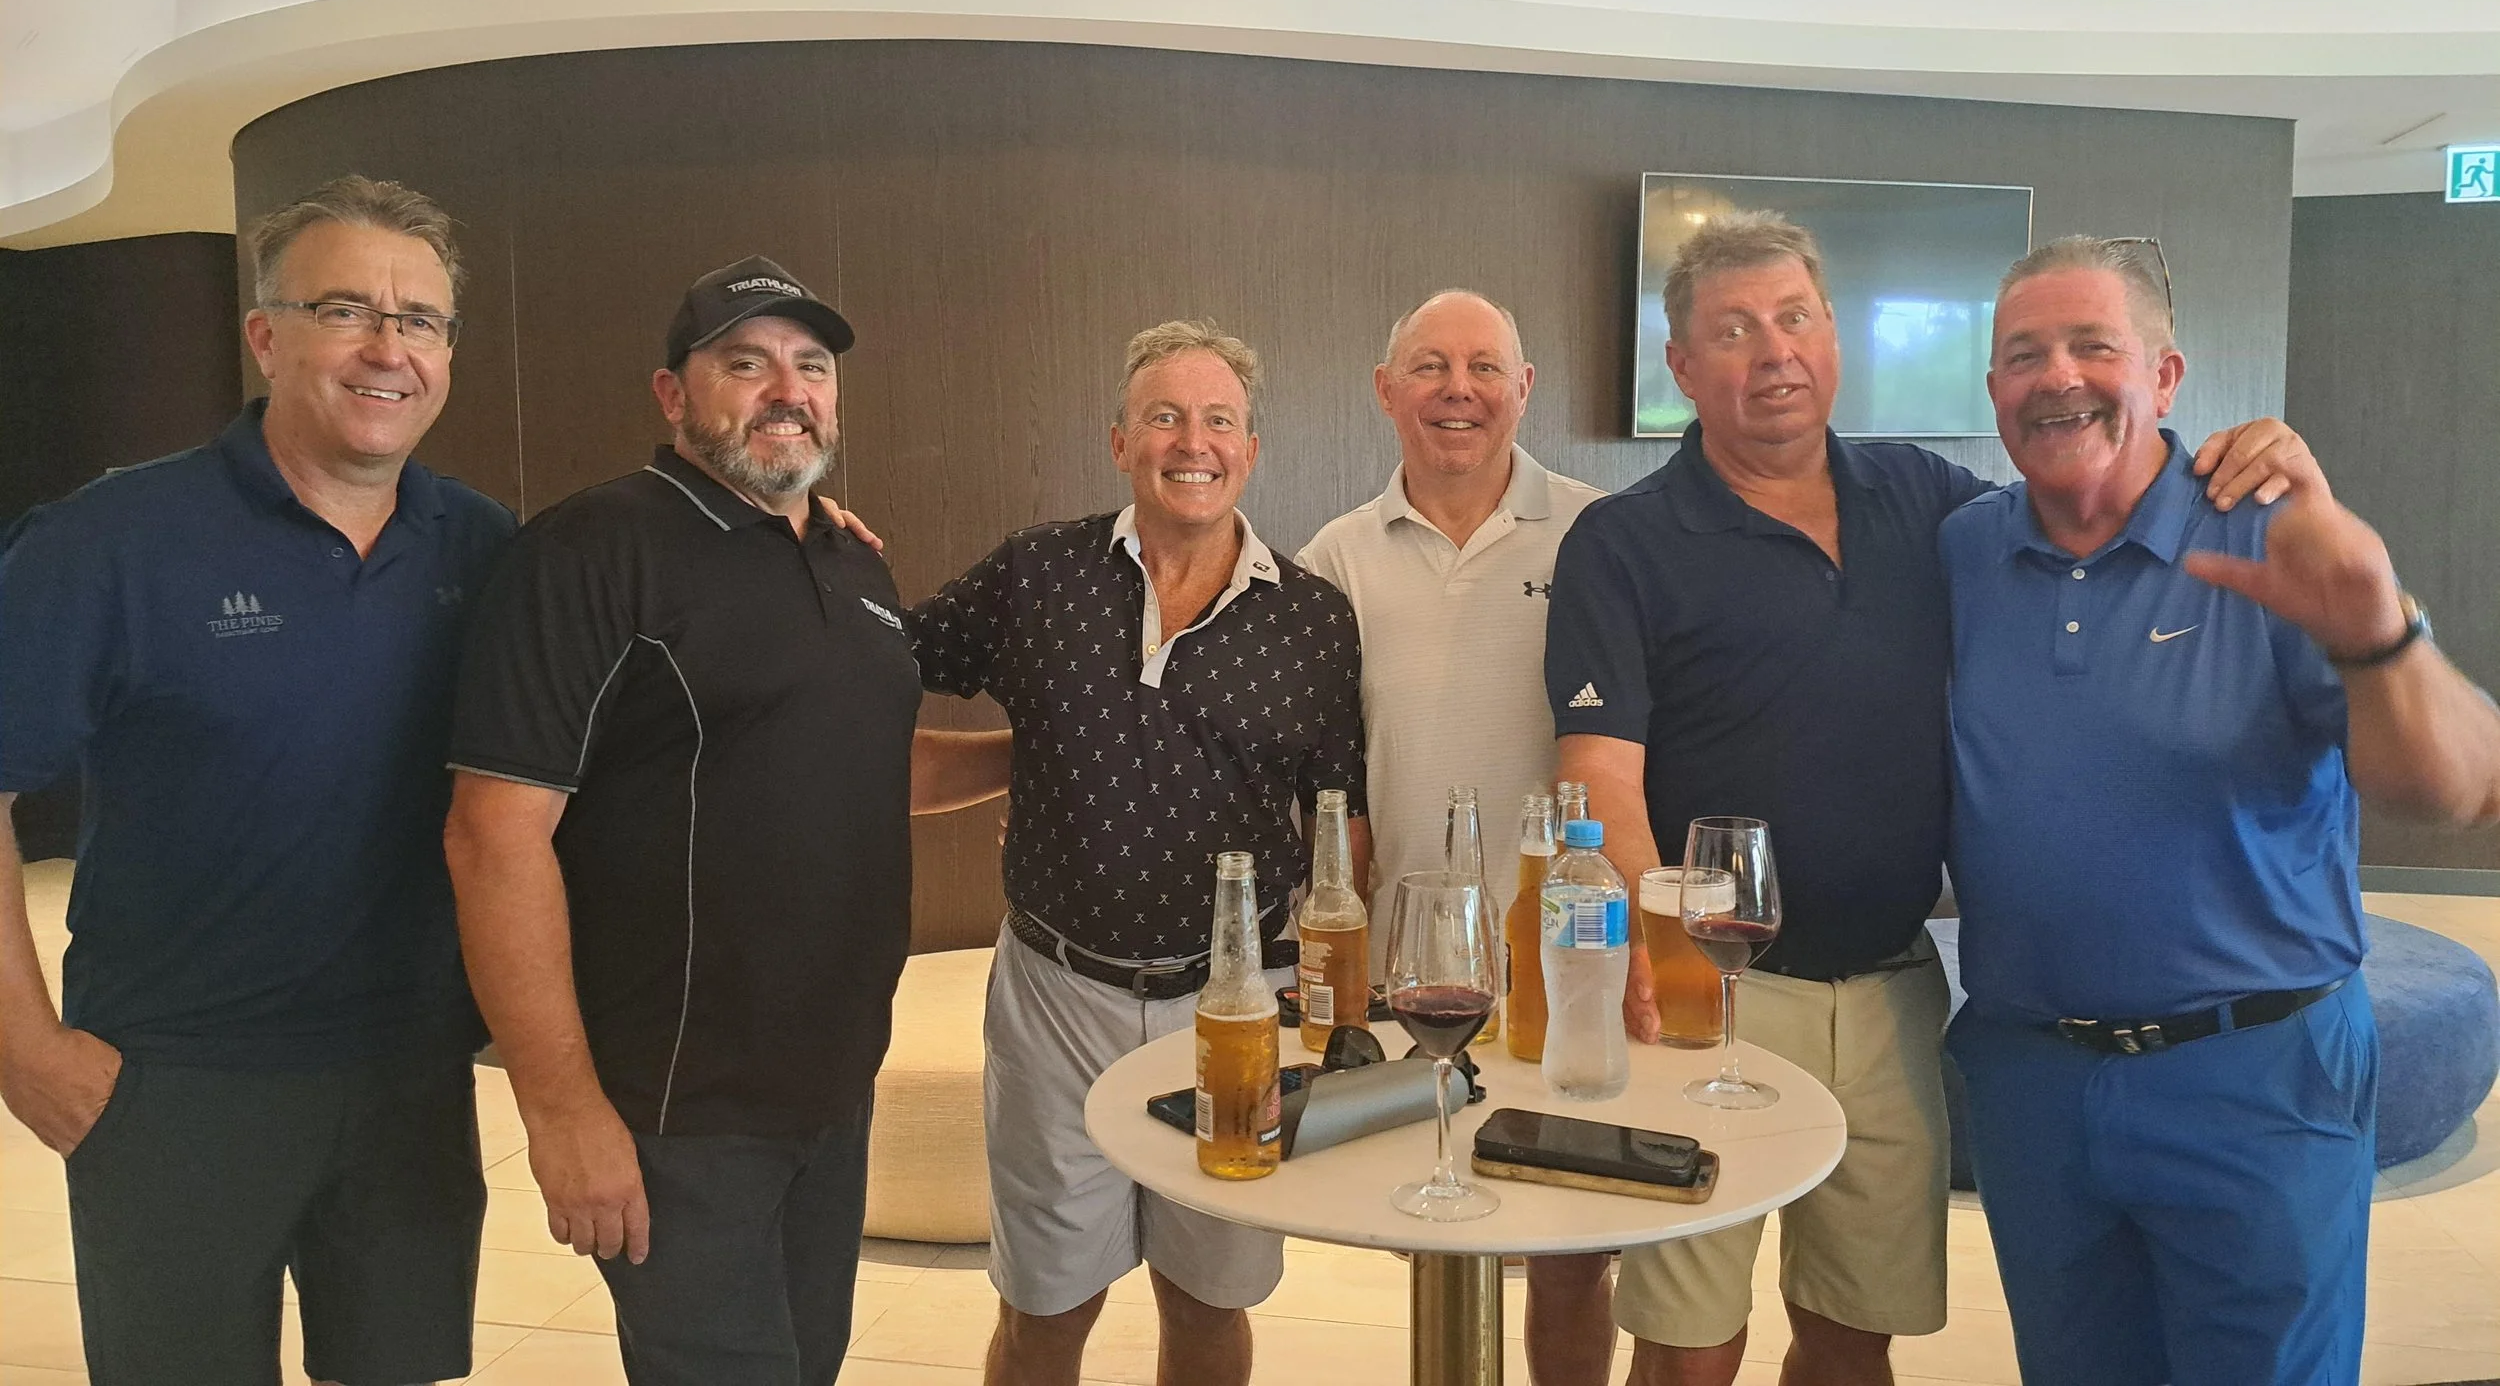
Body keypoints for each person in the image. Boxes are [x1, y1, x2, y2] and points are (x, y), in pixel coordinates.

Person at [1543, 212, 2311, 1386]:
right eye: (1734, 331)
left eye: (1795, 318)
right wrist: (1656, 951)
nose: (1774, 352)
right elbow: (1599, 771)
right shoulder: (1622, 539)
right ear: (1683, 367)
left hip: (1895, 990)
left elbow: (2090, 503)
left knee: (1856, 1333)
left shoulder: (1929, 502)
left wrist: (2238, 462)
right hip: (1721, 993)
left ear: (1833, 338)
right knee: (1691, 1344)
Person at [1941, 236, 2500, 1386]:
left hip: (2254, 1074)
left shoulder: (2276, 530)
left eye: (2093, 346)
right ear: (1991, 389)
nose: (2056, 377)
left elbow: (2461, 787)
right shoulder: (1960, 549)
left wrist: (2379, 635)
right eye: (2023, 354)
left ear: (2165, 376)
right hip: (2031, 1080)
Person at [442, 255, 1009, 1386]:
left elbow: (856, 763)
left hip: (833, 1087)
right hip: (676, 1109)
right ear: (673, 394)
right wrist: (561, 1113)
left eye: (811, 365)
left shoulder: (850, 561)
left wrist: (1027, 757)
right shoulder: (593, 549)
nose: (787, 389)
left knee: (807, 1365)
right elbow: (492, 835)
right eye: (746, 363)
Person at [0, 175, 511, 1386]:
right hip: (173, 1084)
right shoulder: (108, 542)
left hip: (409, 1079)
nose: (388, 347)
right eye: (345, 310)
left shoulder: (482, 545)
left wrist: (793, 527)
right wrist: (26, 1052)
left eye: (420, 319)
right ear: (265, 336)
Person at [907, 319, 1369, 1386]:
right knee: (1045, 1309)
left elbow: (1340, 828)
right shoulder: (1036, 574)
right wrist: (810, 551)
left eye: (1218, 421)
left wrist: (1337, 1008)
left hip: (1238, 1008)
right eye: (1164, 417)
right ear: (1120, 442)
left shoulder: (1314, 621)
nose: (1191, 442)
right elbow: (876, 660)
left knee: (1208, 1303)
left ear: (1250, 450)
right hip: (1057, 999)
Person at [1295, 288, 1613, 1383]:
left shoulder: (1598, 533)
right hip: (1412, 969)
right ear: (1386, 391)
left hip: (1565, 960)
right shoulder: (1335, 557)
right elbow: (1330, 783)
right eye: (1429, 366)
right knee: (1437, 1229)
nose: (1457, 390)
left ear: (1525, 388)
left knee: (1571, 1248)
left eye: (1484, 367)